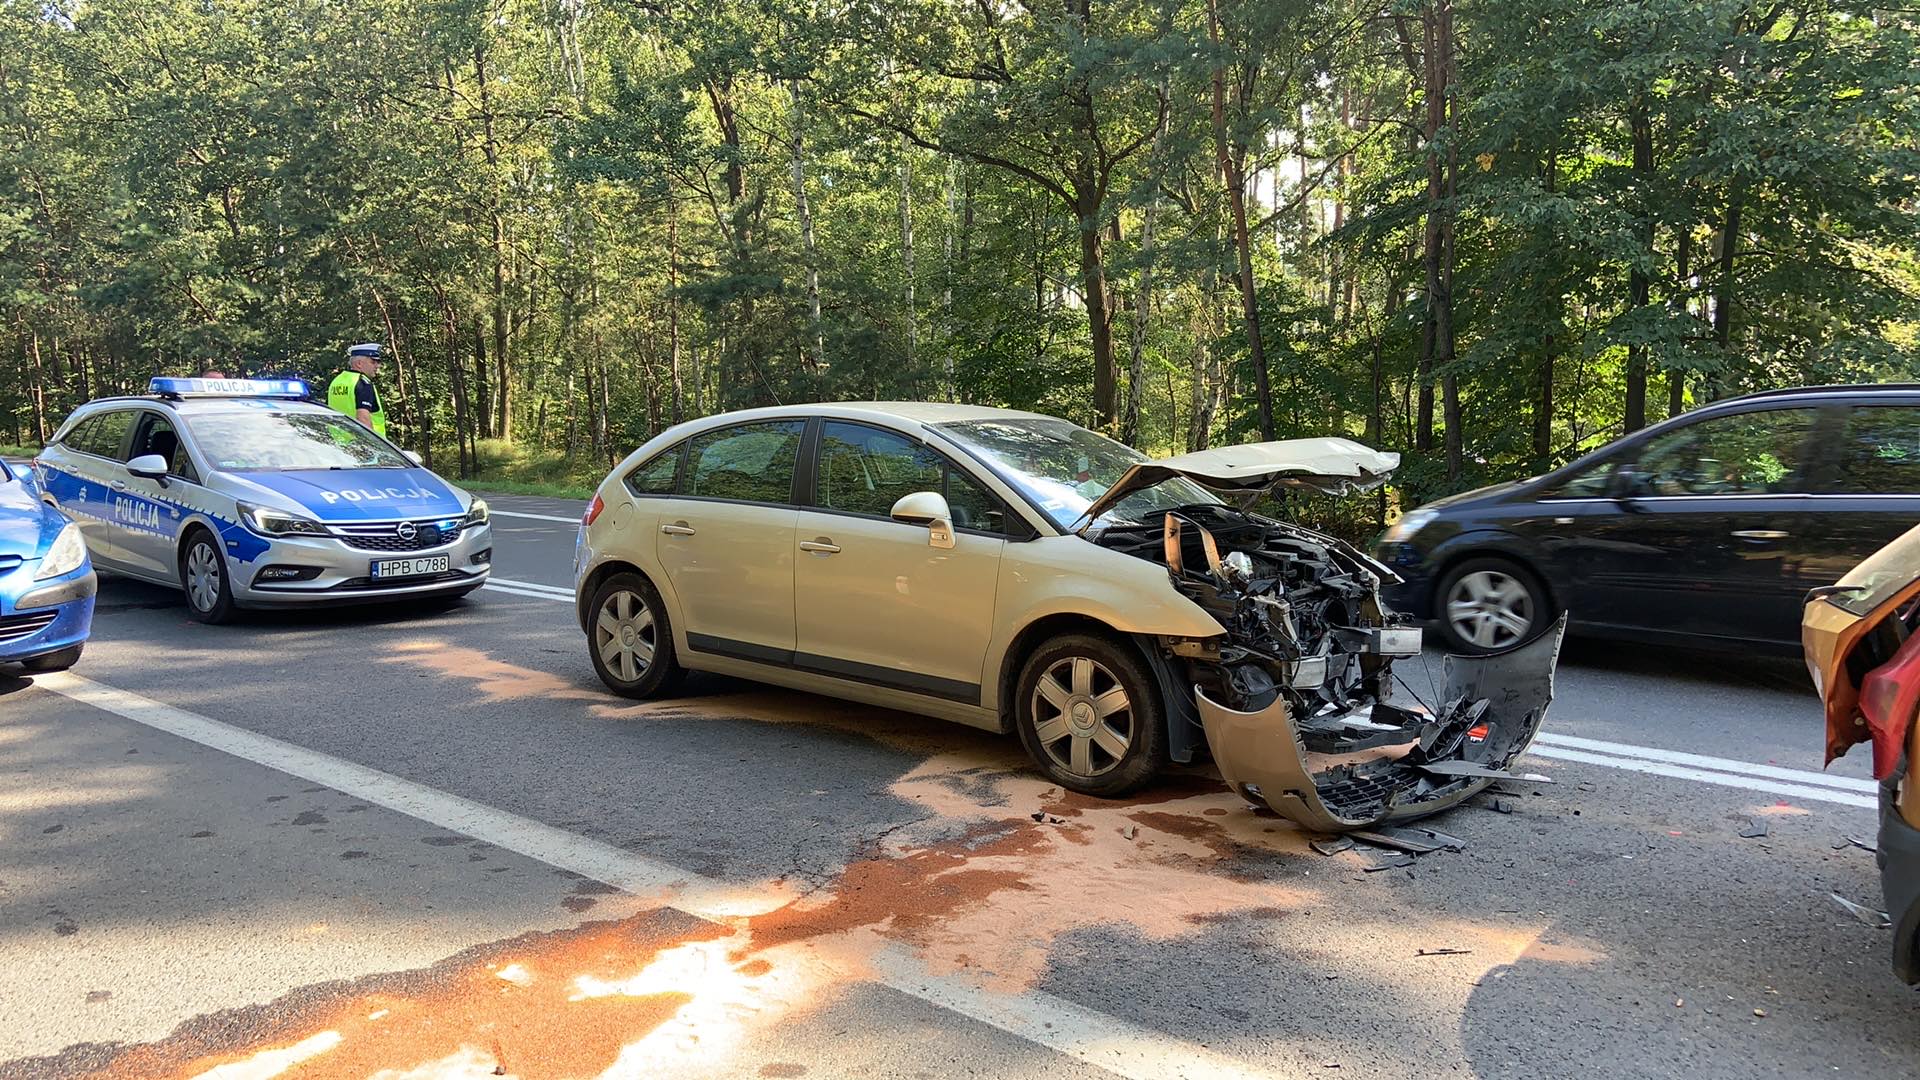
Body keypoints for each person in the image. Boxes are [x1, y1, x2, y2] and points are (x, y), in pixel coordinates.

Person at [326, 343, 388, 437]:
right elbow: (363, 418)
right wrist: (371, 446)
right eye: (373, 362)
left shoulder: (337, 381)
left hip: (338, 444)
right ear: (359, 363)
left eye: (378, 362)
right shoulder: (363, 383)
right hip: (359, 444)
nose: (377, 366)